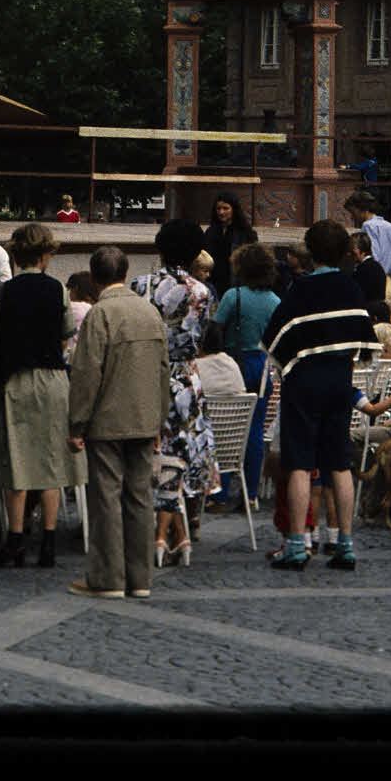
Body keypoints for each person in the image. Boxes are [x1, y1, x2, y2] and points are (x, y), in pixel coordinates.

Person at [265, 218, 379, 572]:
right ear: (344, 251)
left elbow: (275, 338)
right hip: (340, 380)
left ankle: (297, 544)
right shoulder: (351, 287)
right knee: (339, 464)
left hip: (304, 382)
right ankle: (345, 544)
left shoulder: (301, 288)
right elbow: (363, 339)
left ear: (310, 252)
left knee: (300, 463)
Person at [66, 244, 167, 600]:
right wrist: (159, 421)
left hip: (107, 420)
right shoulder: (150, 312)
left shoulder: (100, 314)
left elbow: (87, 373)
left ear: (94, 277)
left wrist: (76, 424)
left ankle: (108, 577)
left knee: (106, 498)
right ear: (125, 273)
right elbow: (162, 371)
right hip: (144, 417)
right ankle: (140, 578)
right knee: (140, 497)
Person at [0, 222, 80, 569]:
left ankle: (15, 539)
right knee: (51, 462)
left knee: (17, 462)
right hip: (54, 380)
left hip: (17, 380)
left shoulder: (2, 292)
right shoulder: (58, 290)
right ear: (45, 255)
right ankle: (49, 542)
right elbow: (67, 331)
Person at [131, 218, 217, 565]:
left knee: (156, 454)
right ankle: (175, 535)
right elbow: (201, 335)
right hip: (185, 377)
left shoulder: (140, 286)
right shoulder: (202, 292)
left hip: (147, 374)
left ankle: (165, 534)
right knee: (181, 453)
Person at [215, 241, 282, 500]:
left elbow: (216, 329)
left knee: (226, 427)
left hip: (235, 363)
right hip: (262, 366)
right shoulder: (275, 301)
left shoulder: (233, 296)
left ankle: (221, 491)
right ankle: (251, 492)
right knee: (255, 430)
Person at [346, 192, 391, 289]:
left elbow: (373, 256)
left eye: (353, 212)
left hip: (373, 281)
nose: (352, 217)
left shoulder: (368, 226)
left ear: (362, 209)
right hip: (389, 282)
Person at [203, 190, 249, 295]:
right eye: (218, 208)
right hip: (213, 281)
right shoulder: (210, 231)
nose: (221, 212)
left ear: (234, 209)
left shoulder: (245, 232)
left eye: (225, 208)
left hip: (234, 282)